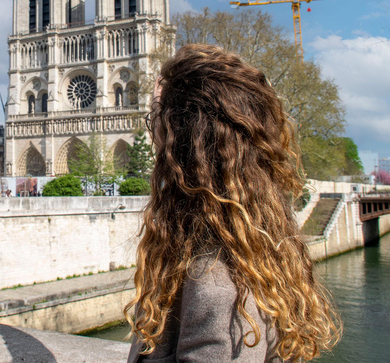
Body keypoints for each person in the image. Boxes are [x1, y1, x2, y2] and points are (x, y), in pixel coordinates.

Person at [126, 44, 340, 362]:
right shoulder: (247, 243)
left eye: (156, 119)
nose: (153, 132)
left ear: (181, 142)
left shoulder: (214, 283)